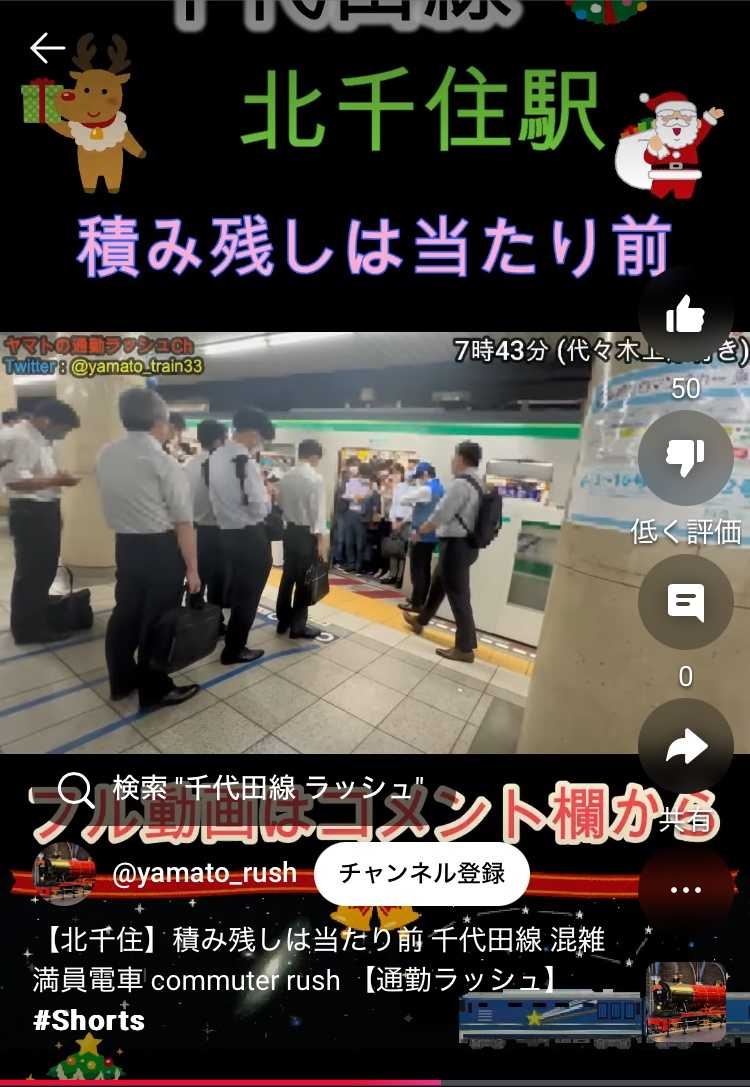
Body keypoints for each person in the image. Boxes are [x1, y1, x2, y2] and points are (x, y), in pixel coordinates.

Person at [96, 388, 201, 709]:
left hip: (126, 546)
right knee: (159, 621)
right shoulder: (163, 462)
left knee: (125, 614)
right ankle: (155, 691)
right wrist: (193, 569)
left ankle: (121, 682)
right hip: (160, 550)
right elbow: (183, 523)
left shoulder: (106, 454)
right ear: (160, 421)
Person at [1, 400, 81, 644]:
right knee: (33, 572)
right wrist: (57, 481)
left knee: (42, 570)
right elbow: (14, 481)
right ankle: (28, 630)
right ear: (47, 421)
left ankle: (34, 620)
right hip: (32, 513)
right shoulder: (22, 438)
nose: (64, 436)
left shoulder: (37, 438)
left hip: (40, 511)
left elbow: (33, 474)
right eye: (63, 430)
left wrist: (55, 478)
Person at [402, 441, 483, 663]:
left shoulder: (461, 483)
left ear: (461, 458)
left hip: (456, 546)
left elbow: (442, 513)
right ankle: (421, 621)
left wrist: (421, 531)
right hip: (466, 545)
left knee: (459, 596)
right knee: (438, 585)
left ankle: (465, 648)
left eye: (454, 457)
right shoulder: (478, 482)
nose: (452, 461)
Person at [209, 406, 276, 665]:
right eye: (261, 439)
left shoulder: (215, 456)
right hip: (250, 536)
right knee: (248, 596)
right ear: (254, 433)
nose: (259, 444)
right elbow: (259, 507)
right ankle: (235, 649)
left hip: (225, 533)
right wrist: (268, 497)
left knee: (237, 589)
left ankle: (230, 640)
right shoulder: (244, 462)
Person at [275, 439, 328, 639]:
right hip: (307, 535)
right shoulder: (315, 479)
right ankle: (298, 626)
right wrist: (321, 542)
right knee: (304, 581)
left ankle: (283, 621)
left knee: (287, 577)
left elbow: (280, 505)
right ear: (314, 456)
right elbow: (317, 514)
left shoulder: (286, 476)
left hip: (290, 532)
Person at [183, 419, 228, 622]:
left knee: (196, 579)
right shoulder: (221, 467)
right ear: (219, 440)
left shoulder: (188, 465)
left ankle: (192, 621)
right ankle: (214, 623)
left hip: (192, 531)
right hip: (215, 532)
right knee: (217, 583)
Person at [398, 461, 445, 612]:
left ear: (425, 474)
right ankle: (420, 600)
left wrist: (410, 485)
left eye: (419, 477)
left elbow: (403, 499)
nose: (418, 479)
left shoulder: (426, 489)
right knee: (424, 569)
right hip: (432, 535)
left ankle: (416, 603)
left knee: (417, 569)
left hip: (420, 534)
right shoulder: (440, 487)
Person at [379, 465, 412, 586]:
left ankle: (400, 577)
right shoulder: (398, 487)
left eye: (398, 473)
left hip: (406, 522)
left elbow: (412, 509)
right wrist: (393, 520)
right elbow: (394, 505)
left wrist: (402, 522)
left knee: (402, 551)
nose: (396, 475)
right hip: (395, 521)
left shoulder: (413, 489)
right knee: (393, 550)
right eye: (394, 473)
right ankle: (392, 575)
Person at [342, 463, 373, 573]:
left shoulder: (370, 484)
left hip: (362, 514)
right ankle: (351, 563)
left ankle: (359, 565)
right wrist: (355, 497)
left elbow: (369, 496)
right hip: (351, 512)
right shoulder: (353, 481)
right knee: (349, 540)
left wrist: (360, 497)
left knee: (360, 542)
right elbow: (346, 495)